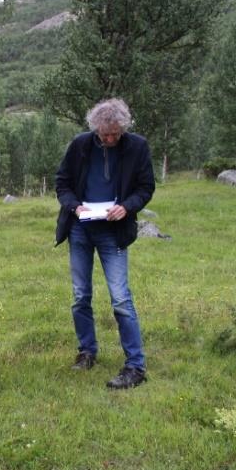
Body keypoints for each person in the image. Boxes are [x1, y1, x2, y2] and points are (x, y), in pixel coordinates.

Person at [54, 98, 155, 389]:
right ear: (95, 128)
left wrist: (127, 206)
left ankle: (135, 366)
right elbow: (62, 182)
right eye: (104, 134)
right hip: (80, 229)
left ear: (123, 129)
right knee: (80, 294)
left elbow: (146, 187)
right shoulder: (80, 145)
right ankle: (87, 352)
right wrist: (74, 207)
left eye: (114, 134)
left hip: (115, 231)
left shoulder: (137, 147)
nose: (109, 139)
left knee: (121, 297)